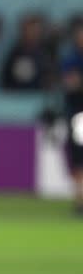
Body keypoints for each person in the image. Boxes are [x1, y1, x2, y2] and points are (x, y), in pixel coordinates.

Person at [61, 23, 83, 215]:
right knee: (79, 158)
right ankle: (79, 200)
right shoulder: (72, 59)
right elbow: (69, 83)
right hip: (79, 114)